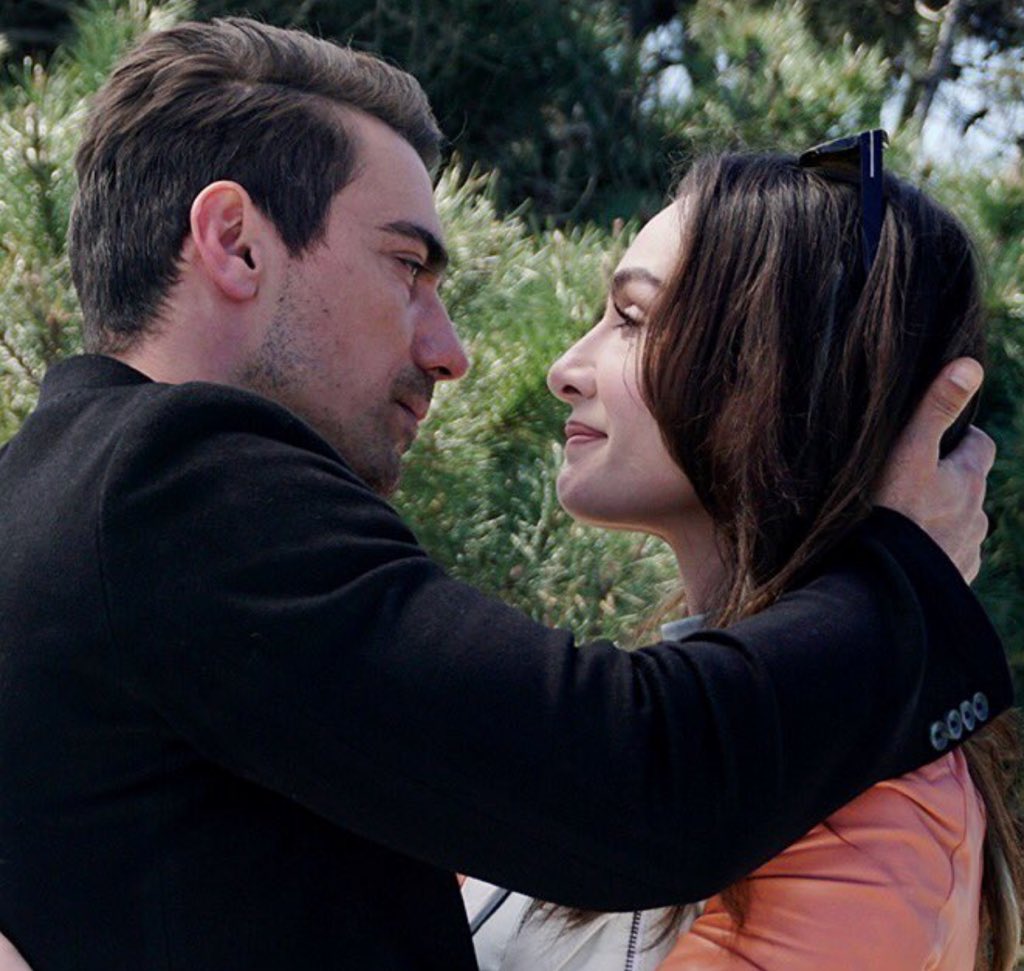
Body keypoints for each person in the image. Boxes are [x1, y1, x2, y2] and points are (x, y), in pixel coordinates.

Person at [0, 19, 1009, 971]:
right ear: (235, 242)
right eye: (407, 265)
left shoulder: (67, 499)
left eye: (630, 318)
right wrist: (905, 570)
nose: (454, 352)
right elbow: (632, 780)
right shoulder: (175, 479)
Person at [463, 139, 1022, 970]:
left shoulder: (876, 818)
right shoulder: (667, 726)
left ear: (778, 371)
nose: (565, 369)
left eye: (631, 319)